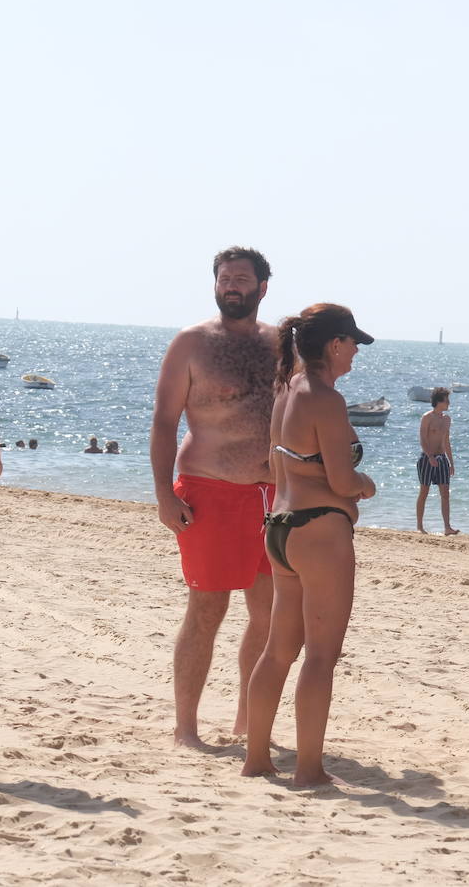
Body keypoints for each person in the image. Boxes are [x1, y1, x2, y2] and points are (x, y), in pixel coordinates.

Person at [243, 304, 376, 786]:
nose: (356, 352)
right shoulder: (325, 398)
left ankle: (256, 759)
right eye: (353, 343)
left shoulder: (286, 391)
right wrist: (365, 485)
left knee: (278, 651)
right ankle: (309, 769)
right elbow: (341, 479)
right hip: (321, 531)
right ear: (334, 345)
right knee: (321, 655)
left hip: (279, 526)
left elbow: (279, 468)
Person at [150, 246, 277, 749]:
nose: (232, 285)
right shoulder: (192, 343)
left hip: (270, 496)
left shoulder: (278, 343)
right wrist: (163, 492)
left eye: (242, 278)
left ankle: (247, 721)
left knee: (268, 615)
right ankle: (186, 728)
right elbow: (163, 421)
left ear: (262, 287)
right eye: (225, 277)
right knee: (207, 609)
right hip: (208, 490)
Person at [415, 387, 457, 535]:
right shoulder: (427, 417)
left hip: (442, 458)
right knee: (424, 491)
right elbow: (423, 439)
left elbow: (446, 441)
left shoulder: (447, 419)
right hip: (427, 459)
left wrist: (451, 462)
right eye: (446, 400)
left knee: (445, 493)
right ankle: (419, 526)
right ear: (439, 401)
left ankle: (447, 527)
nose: (449, 403)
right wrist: (430, 456)